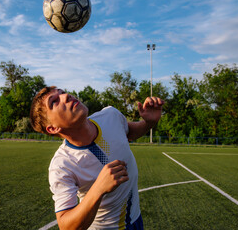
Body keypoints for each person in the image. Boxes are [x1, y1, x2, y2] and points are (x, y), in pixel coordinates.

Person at [30, 86, 164, 230]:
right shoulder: (62, 165)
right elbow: (65, 225)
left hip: (136, 220)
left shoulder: (110, 115)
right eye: (54, 101)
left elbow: (128, 133)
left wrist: (148, 123)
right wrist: (98, 189)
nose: (66, 96)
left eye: (62, 92)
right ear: (53, 128)